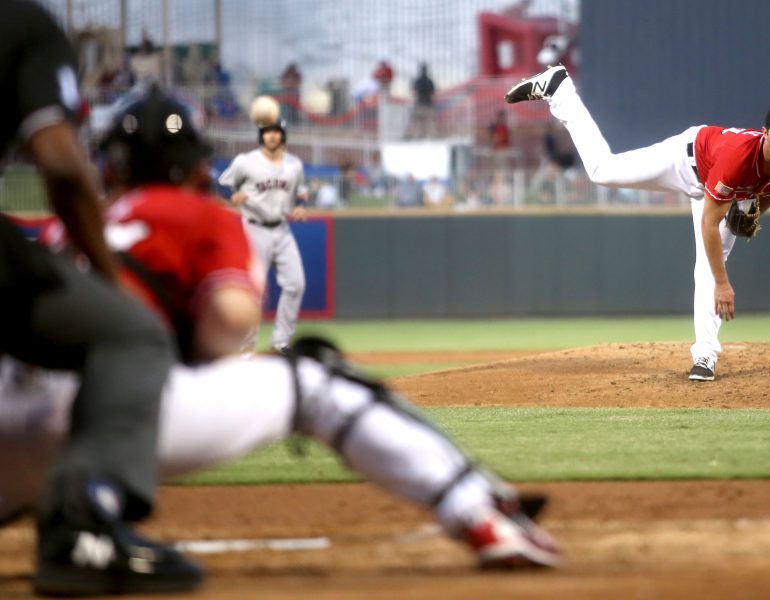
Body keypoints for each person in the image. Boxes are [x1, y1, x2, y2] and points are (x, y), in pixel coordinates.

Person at [0, 87, 561, 572]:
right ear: (195, 163)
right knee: (314, 377)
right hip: (112, 421)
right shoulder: (198, 214)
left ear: (110, 166)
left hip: (11, 428)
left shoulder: (62, 229)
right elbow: (228, 324)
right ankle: (482, 514)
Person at [0, 2, 201, 595]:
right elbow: (61, 164)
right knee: (131, 333)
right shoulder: (24, 24)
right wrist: (111, 279)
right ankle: (81, 529)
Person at [506, 65, 770, 381]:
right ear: (766, 132)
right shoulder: (738, 160)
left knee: (708, 266)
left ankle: (705, 358)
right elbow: (710, 223)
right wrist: (723, 286)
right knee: (602, 171)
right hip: (687, 161)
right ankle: (559, 90)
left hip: (726, 188)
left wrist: (756, 212)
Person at [218, 119, 307, 354]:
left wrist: (300, 205)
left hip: (282, 228)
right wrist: (234, 195)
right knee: (254, 289)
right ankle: (247, 347)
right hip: (254, 228)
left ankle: (281, 343)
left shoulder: (293, 165)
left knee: (296, 283)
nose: (272, 136)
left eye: (276, 131)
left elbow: (301, 192)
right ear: (261, 135)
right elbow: (222, 184)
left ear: (283, 135)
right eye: (267, 132)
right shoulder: (246, 162)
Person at [407, 63, 438, 139]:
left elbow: (414, 92)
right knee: (430, 121)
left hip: (419, 103)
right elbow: (433, 93)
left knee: (417, 121)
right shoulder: (429, 81)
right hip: (428, 103)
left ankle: (414, 135)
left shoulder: (417, 80)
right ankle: (432, 136)